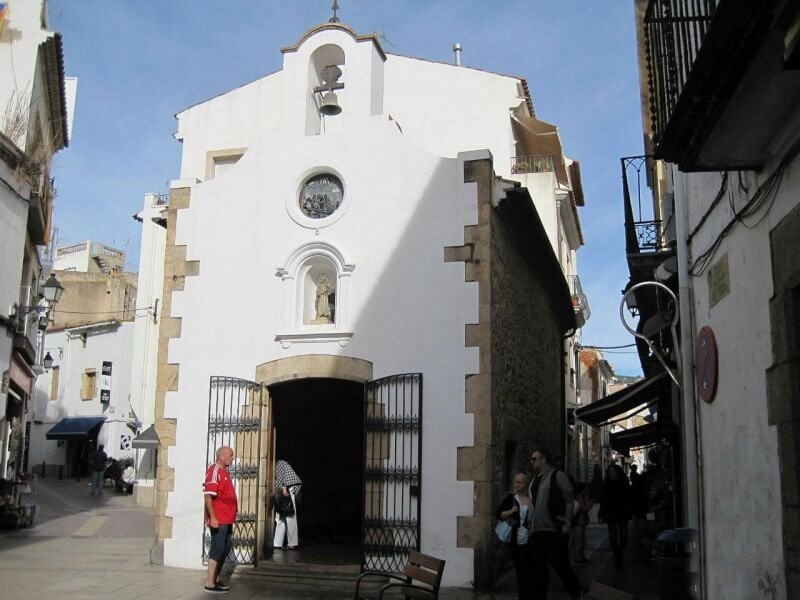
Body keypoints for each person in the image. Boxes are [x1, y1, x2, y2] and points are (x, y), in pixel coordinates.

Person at [529, 447, 582, 600]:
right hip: (536, 532)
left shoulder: (558, 476)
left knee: (562, 568)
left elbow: (569, 500)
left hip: (553, 531)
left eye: (534, 458)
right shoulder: (535, 479)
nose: (531, 461)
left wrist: (567, 522)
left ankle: (577, 594)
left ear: (543, 459)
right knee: (539, 572)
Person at [204, 446, 237, 594]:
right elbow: (208, 495)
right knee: (217, 549)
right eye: (230, 455)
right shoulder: (214, 471)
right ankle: (210, 583)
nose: (232, 458)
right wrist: (213, 517)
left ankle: (215, 579)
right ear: (222, 456)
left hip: (227, 519)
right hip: (220, 520)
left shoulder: (224, 473)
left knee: (226, 547)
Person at [495, 473, 533, 600]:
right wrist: (511, 511)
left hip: (530, 540)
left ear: (526, 484)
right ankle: (523, 595)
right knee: (521, 569)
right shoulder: (511, 498)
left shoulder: (531, 500)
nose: (517, 484)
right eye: (515, 481)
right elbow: (499, 514)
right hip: (515, 541)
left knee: (529, 569)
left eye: (520, 482)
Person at [598, 464, 632, 568]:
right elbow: (603, 501)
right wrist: (601, 514)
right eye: (609, 472)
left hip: (622, 512)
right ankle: (618, 557)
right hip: (610, 513)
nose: (610, 474)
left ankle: (619, 553)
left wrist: (632, 512)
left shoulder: (624, 484)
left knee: (624, 536)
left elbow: (629, 499)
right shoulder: (606, 485)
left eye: (612, 472)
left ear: (617, 472)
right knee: (613, 538)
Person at [273, 459, 302, 550]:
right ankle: (277, 543)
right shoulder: (274, 465)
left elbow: (285, 476)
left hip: (288, 491)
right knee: (279, 518)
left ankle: (292, 543)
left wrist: (284, 487)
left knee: (290, 518)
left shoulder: (281, 463)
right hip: (280, 492)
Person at [571, 482, 593, 564]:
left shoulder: (580, 496)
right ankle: (578, 557)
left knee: (580, 539)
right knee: (579, 540)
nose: (587, 491)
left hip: (579, 521)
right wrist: (591, 503)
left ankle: (581, 556)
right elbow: (584, 509)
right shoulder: (579, 497)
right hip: (578, 521)